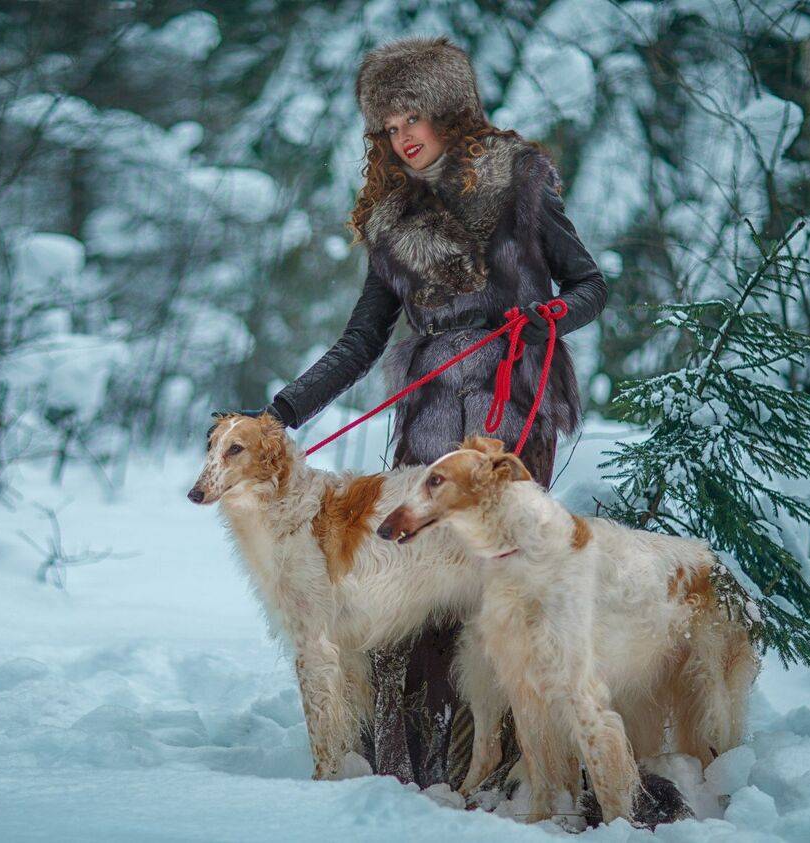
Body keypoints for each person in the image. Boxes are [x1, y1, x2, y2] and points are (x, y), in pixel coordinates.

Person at [219, 34, 608, 789]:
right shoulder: (390, 218)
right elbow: (363, 338)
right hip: (429, 410)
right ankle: (425, 768)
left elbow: (592, 283)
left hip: (515, 395)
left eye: (412, 119)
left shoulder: (521, 179)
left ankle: (524, 766)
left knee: (500, 580)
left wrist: (551, 312)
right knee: (419, 590)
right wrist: (282, 411)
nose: (402, 138)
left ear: (448, 112)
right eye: (388, 126)